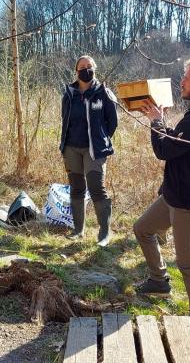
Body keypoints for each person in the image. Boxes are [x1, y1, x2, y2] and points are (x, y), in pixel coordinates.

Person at [133, 56, 190, 317]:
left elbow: (164, 149)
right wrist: (161, 120)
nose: (182, 81)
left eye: (187, 78)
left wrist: (156, 122)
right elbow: (179, 142)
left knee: (189, 265)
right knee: (143, 229)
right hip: (174, 195)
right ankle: (159, 281)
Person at [59, 55, 118, 246]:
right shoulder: (69, 94)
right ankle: (78, 231)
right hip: (71, 148)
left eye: (89, 66)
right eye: (81, 67)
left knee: (96, 188)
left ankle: (104, 234)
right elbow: (65, 120)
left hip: (95, 150)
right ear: (76, 71)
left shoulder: (103, 93)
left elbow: (112, 123)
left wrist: (100, 139)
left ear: (94, 68)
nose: (85, 69)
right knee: (76, 188)